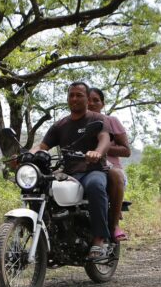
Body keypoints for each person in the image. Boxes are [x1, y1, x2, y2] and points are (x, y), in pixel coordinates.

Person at [30, 82, 112, 258]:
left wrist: (97, 152)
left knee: (96, 186)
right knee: (38, 188)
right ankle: (46, 237)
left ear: (87, 99)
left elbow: (104, 139)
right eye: (71, 95)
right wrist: (27, 155)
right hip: (68, 174)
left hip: (92, 170)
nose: (74, 98)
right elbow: (42, 145)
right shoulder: (61, 125)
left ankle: (100, 238)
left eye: (79, 95)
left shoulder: (97, 119)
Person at [87, 87, 131, 242]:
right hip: (85, 169)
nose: (91, 104)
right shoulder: (74, 124)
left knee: (115, 174)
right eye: (87, 100)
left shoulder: (112, 121)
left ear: (102, 104)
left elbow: (126, 150)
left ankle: (114, 226)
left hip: (110, 168)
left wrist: (101, 148)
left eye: (95, 100)